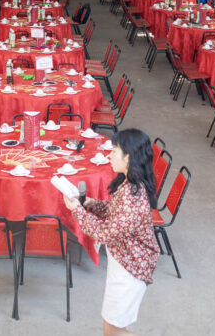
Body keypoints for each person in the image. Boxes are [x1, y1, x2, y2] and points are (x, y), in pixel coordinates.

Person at [63, 128, 159, 336]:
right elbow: (116, 215)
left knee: (113, 329)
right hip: (124, 262)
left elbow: (106, 233)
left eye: (114, 151)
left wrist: (77, 210)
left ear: (128, 157)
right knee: (114, 325)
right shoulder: (128, 183)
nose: (109, 155)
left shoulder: (134, 197)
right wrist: (91, 203)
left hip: (130, 268)